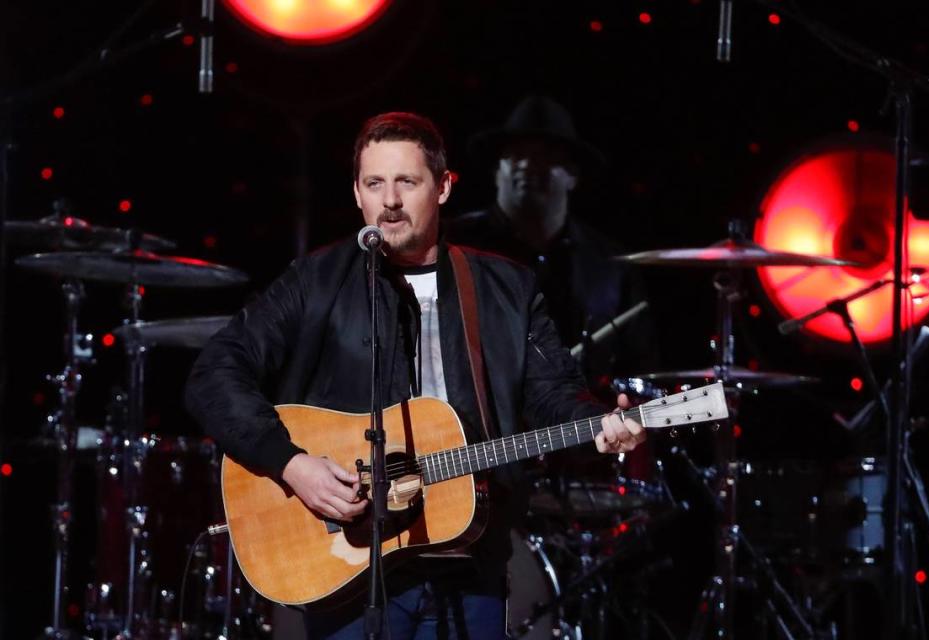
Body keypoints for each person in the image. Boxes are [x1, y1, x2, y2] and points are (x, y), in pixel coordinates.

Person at [185, 112, 644, 639]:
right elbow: (214, 373)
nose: (391, 200)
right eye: (375, 183)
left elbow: (552, 393)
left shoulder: (506, 289)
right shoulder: (316, 281)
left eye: (407, 181)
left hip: (469, 563)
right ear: (357, 193)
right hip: (350, 566)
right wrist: (290, 464)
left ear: (444, 187)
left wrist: (599, 424)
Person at [445, 96, 658, 384]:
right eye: (515, 153)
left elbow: (639, 370)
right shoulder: (452, 245)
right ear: (497, 171)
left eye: (544, 155)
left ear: (572, 176)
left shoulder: (610, 265)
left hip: (582, 422)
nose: (526, 164)